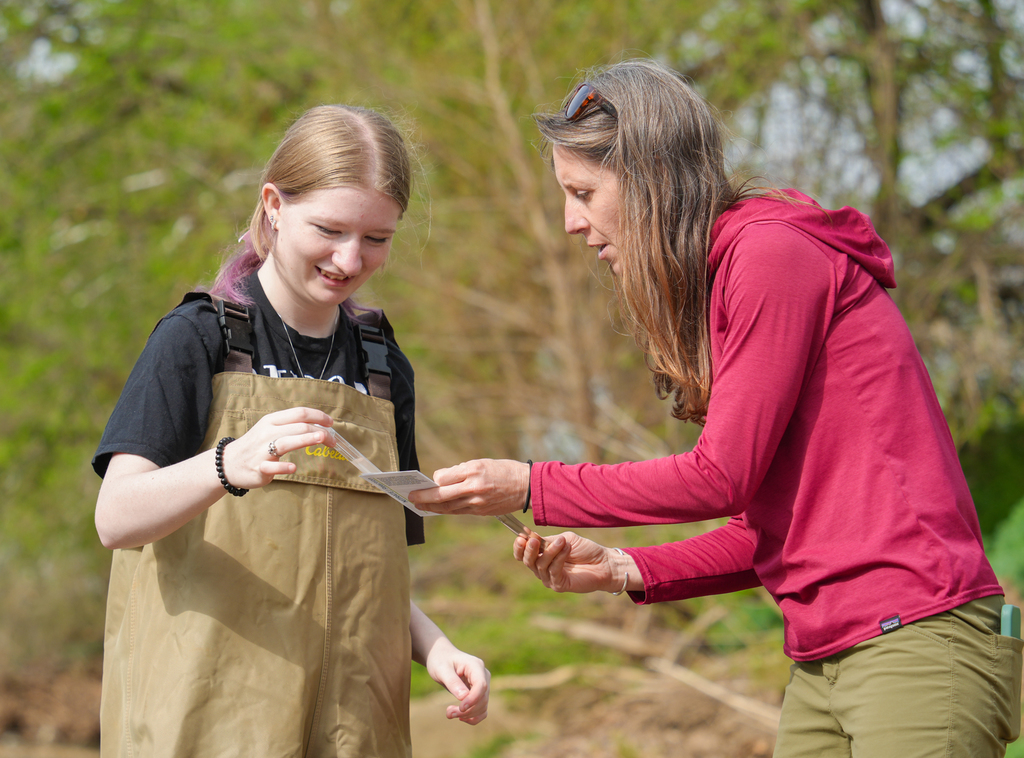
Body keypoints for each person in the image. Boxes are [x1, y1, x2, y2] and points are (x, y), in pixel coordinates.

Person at [408, 59, 1023, 757]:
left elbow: (717, 475)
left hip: (916, 638)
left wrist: (531, 484)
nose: (571, 223)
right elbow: (762, 526)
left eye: (582, 192)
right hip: (826, 658)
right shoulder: (729, 278)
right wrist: (625, 569)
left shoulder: (771, 254)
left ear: (649, 179)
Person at [93, 104, 489, 758]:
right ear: (274, 205)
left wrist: (438, 649)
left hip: (352, 726)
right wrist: (225, 466)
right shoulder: (195, 340)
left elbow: (370, 576)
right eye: (329, 229)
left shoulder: (386, 368)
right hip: (211, 723)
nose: (348, 258)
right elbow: (117, 517)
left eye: (376, 239)